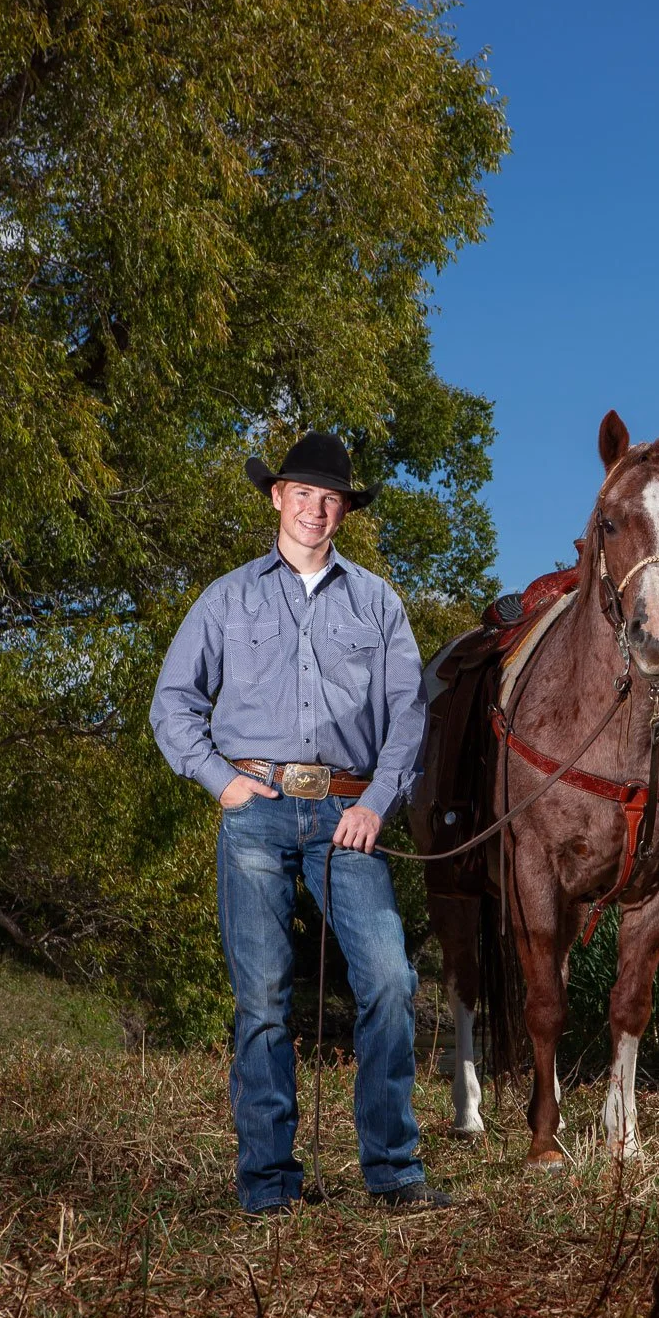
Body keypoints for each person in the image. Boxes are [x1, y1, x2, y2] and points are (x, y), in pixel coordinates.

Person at [150, 432, 451, 1214]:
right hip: (256, 811)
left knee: (388, 979)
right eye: (304, 493)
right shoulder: (227, 597)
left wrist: (376, 804)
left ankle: (393, 1170)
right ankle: (269, 1185)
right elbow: (173, 705)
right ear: (277, 498)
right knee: (264, 1000)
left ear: (344, 513)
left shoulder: (378, 602)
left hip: (348, 815)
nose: (317, 508)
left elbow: (407, 717)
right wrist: (222, 783)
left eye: (332, 498)